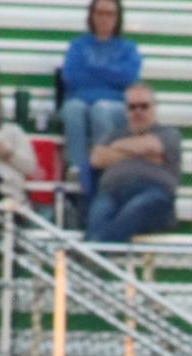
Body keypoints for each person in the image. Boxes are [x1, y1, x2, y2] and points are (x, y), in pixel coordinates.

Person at [60, 0, 142, 216]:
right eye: (100, 13)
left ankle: (101, 171)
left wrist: (92, 72)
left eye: (110, 13)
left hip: (114, 105)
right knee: (72, 110)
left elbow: (129, 77)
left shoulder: (128, 48)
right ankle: (77, 169)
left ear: (117, 18)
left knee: (100, 110)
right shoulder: (78, 46)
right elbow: (70, 76)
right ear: (91, 16)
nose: (104, 18)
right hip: (81, 101)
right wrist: (108, 74)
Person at [85, 81, 180, 245]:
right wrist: (141, 153)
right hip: (112, 193)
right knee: (97, 216)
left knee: (133, 210)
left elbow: (152, 145)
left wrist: (116, 148)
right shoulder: (114, 134)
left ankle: (93, 255)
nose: (138, 112)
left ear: (154, 108)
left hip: (154, 193)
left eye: (144, 106)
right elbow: (97, 158)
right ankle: (94, 255)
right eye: (132, 107)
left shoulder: (169, 133)